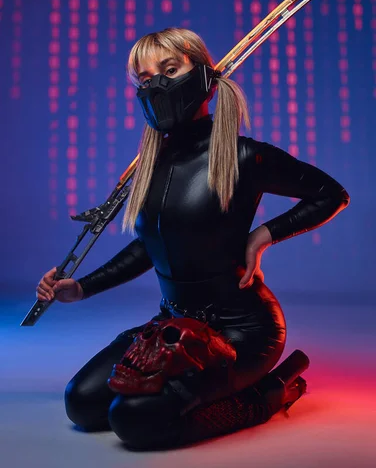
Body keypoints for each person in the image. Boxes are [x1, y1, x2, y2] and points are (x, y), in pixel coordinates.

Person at [36, 28, 350, 450]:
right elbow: (151, 248)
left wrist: (264, 234)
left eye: (170, 69)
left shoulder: (242, 156)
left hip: (241, 332)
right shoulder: (149, 169)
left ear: (202, 74)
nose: (157, 86)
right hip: (171, 327)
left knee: (135, 421)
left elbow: (331, 193)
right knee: (83, 404)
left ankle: (272, 392)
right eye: (145, 79)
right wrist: (80, 288)